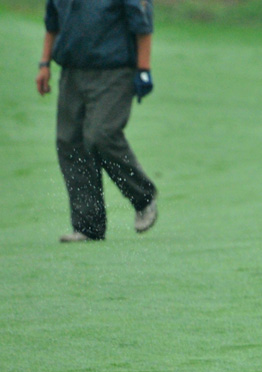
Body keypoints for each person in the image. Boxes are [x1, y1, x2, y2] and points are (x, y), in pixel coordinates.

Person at [36, 0, 159, 243]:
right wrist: (44, 64)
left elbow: (142, 24)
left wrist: (144, 69)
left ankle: (143, 198)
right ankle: (88, 225)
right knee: (70, 142)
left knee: (102, 135)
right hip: (72, 71)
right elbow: (53, 23)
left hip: (114, 70)